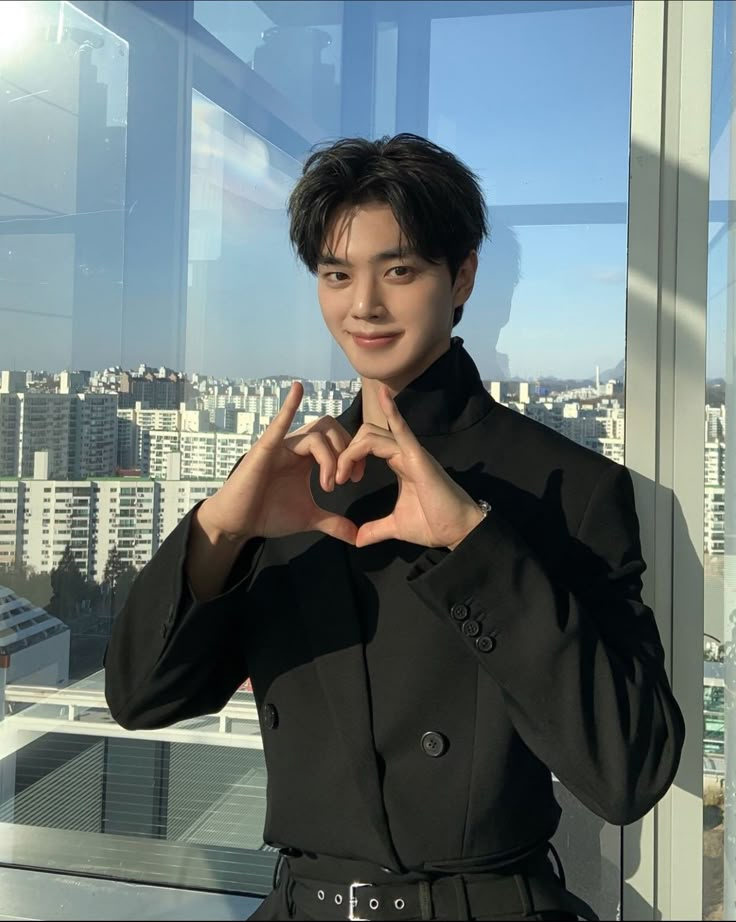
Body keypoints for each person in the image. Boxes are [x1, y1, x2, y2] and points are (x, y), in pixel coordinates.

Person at [104, 134, 685, 921]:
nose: (363, 306)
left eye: (399, 270)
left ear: (464, 276)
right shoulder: (290, 483)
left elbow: (630, 771)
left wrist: (476, 545)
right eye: (336, 274)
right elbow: (141, 697)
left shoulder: (566, 487)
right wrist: (220, 528)